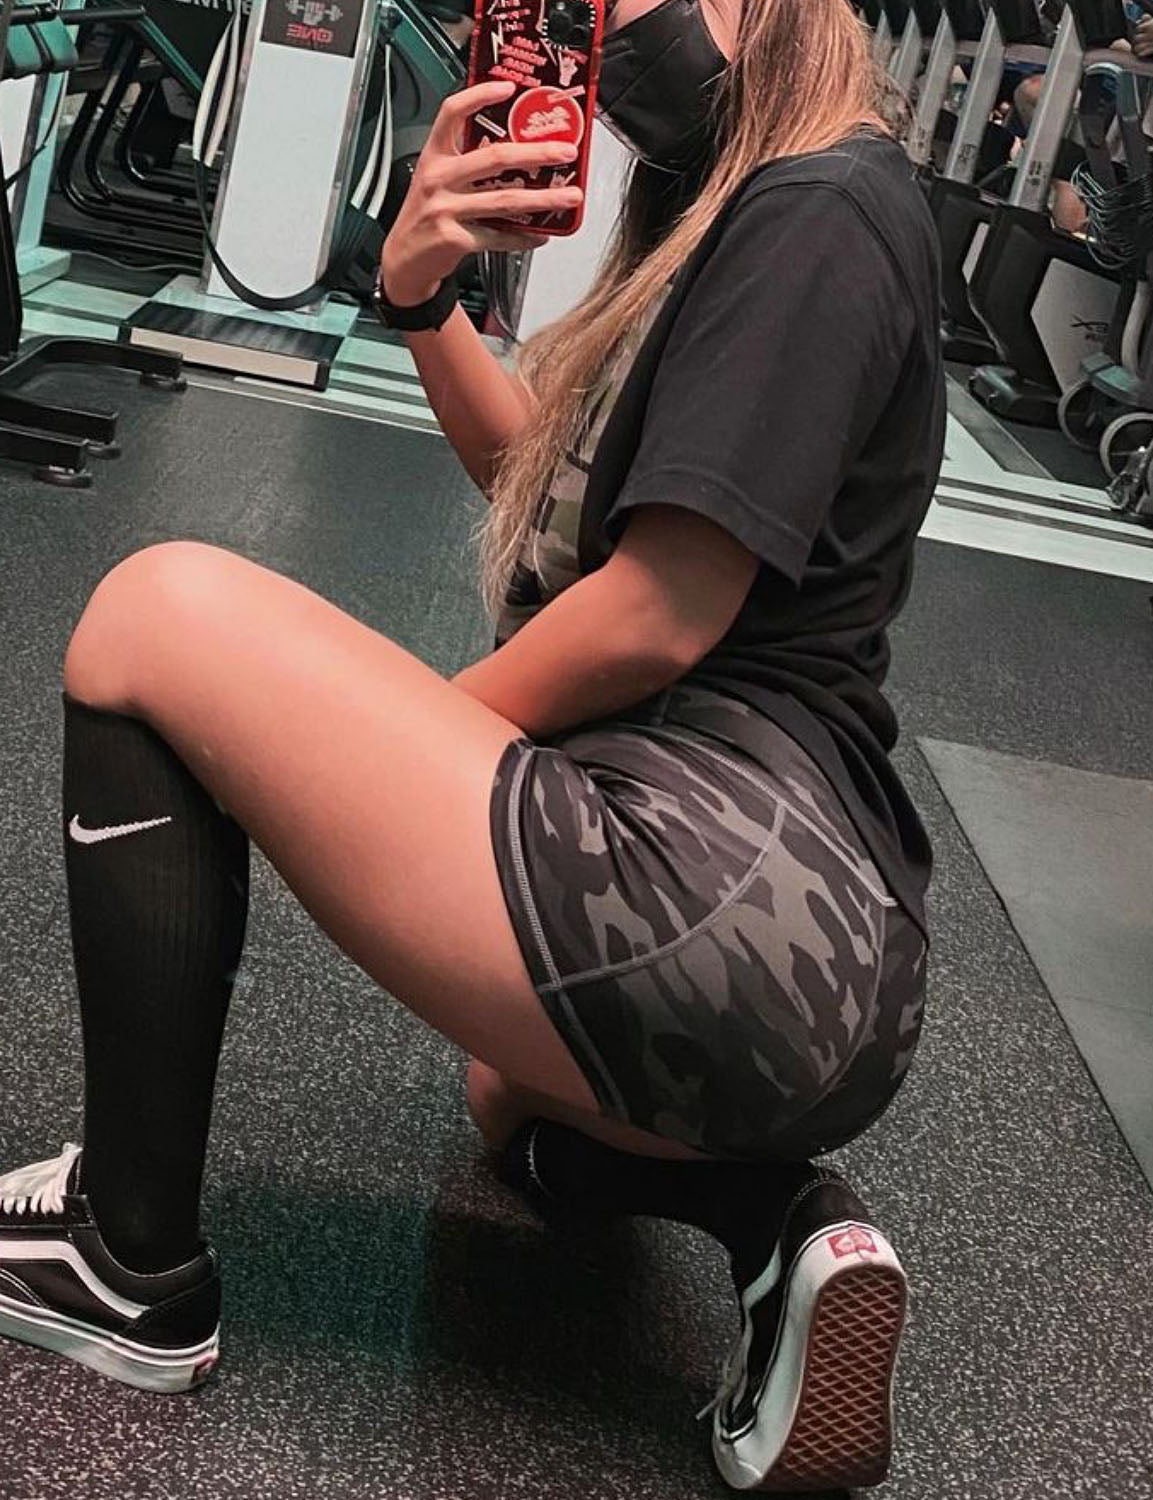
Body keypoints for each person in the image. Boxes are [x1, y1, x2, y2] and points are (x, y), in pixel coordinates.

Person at [0, 0, 943, 1490]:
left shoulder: (817, 205)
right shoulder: (742, 203)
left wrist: (356, 760)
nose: (601, 28)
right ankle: (779, 1225)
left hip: (730, 888)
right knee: (505, 1101)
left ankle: (126, 1259)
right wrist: (420, 297)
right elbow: (560, 507)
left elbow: (657, 607)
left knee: (151, 616)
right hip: (800, 954)